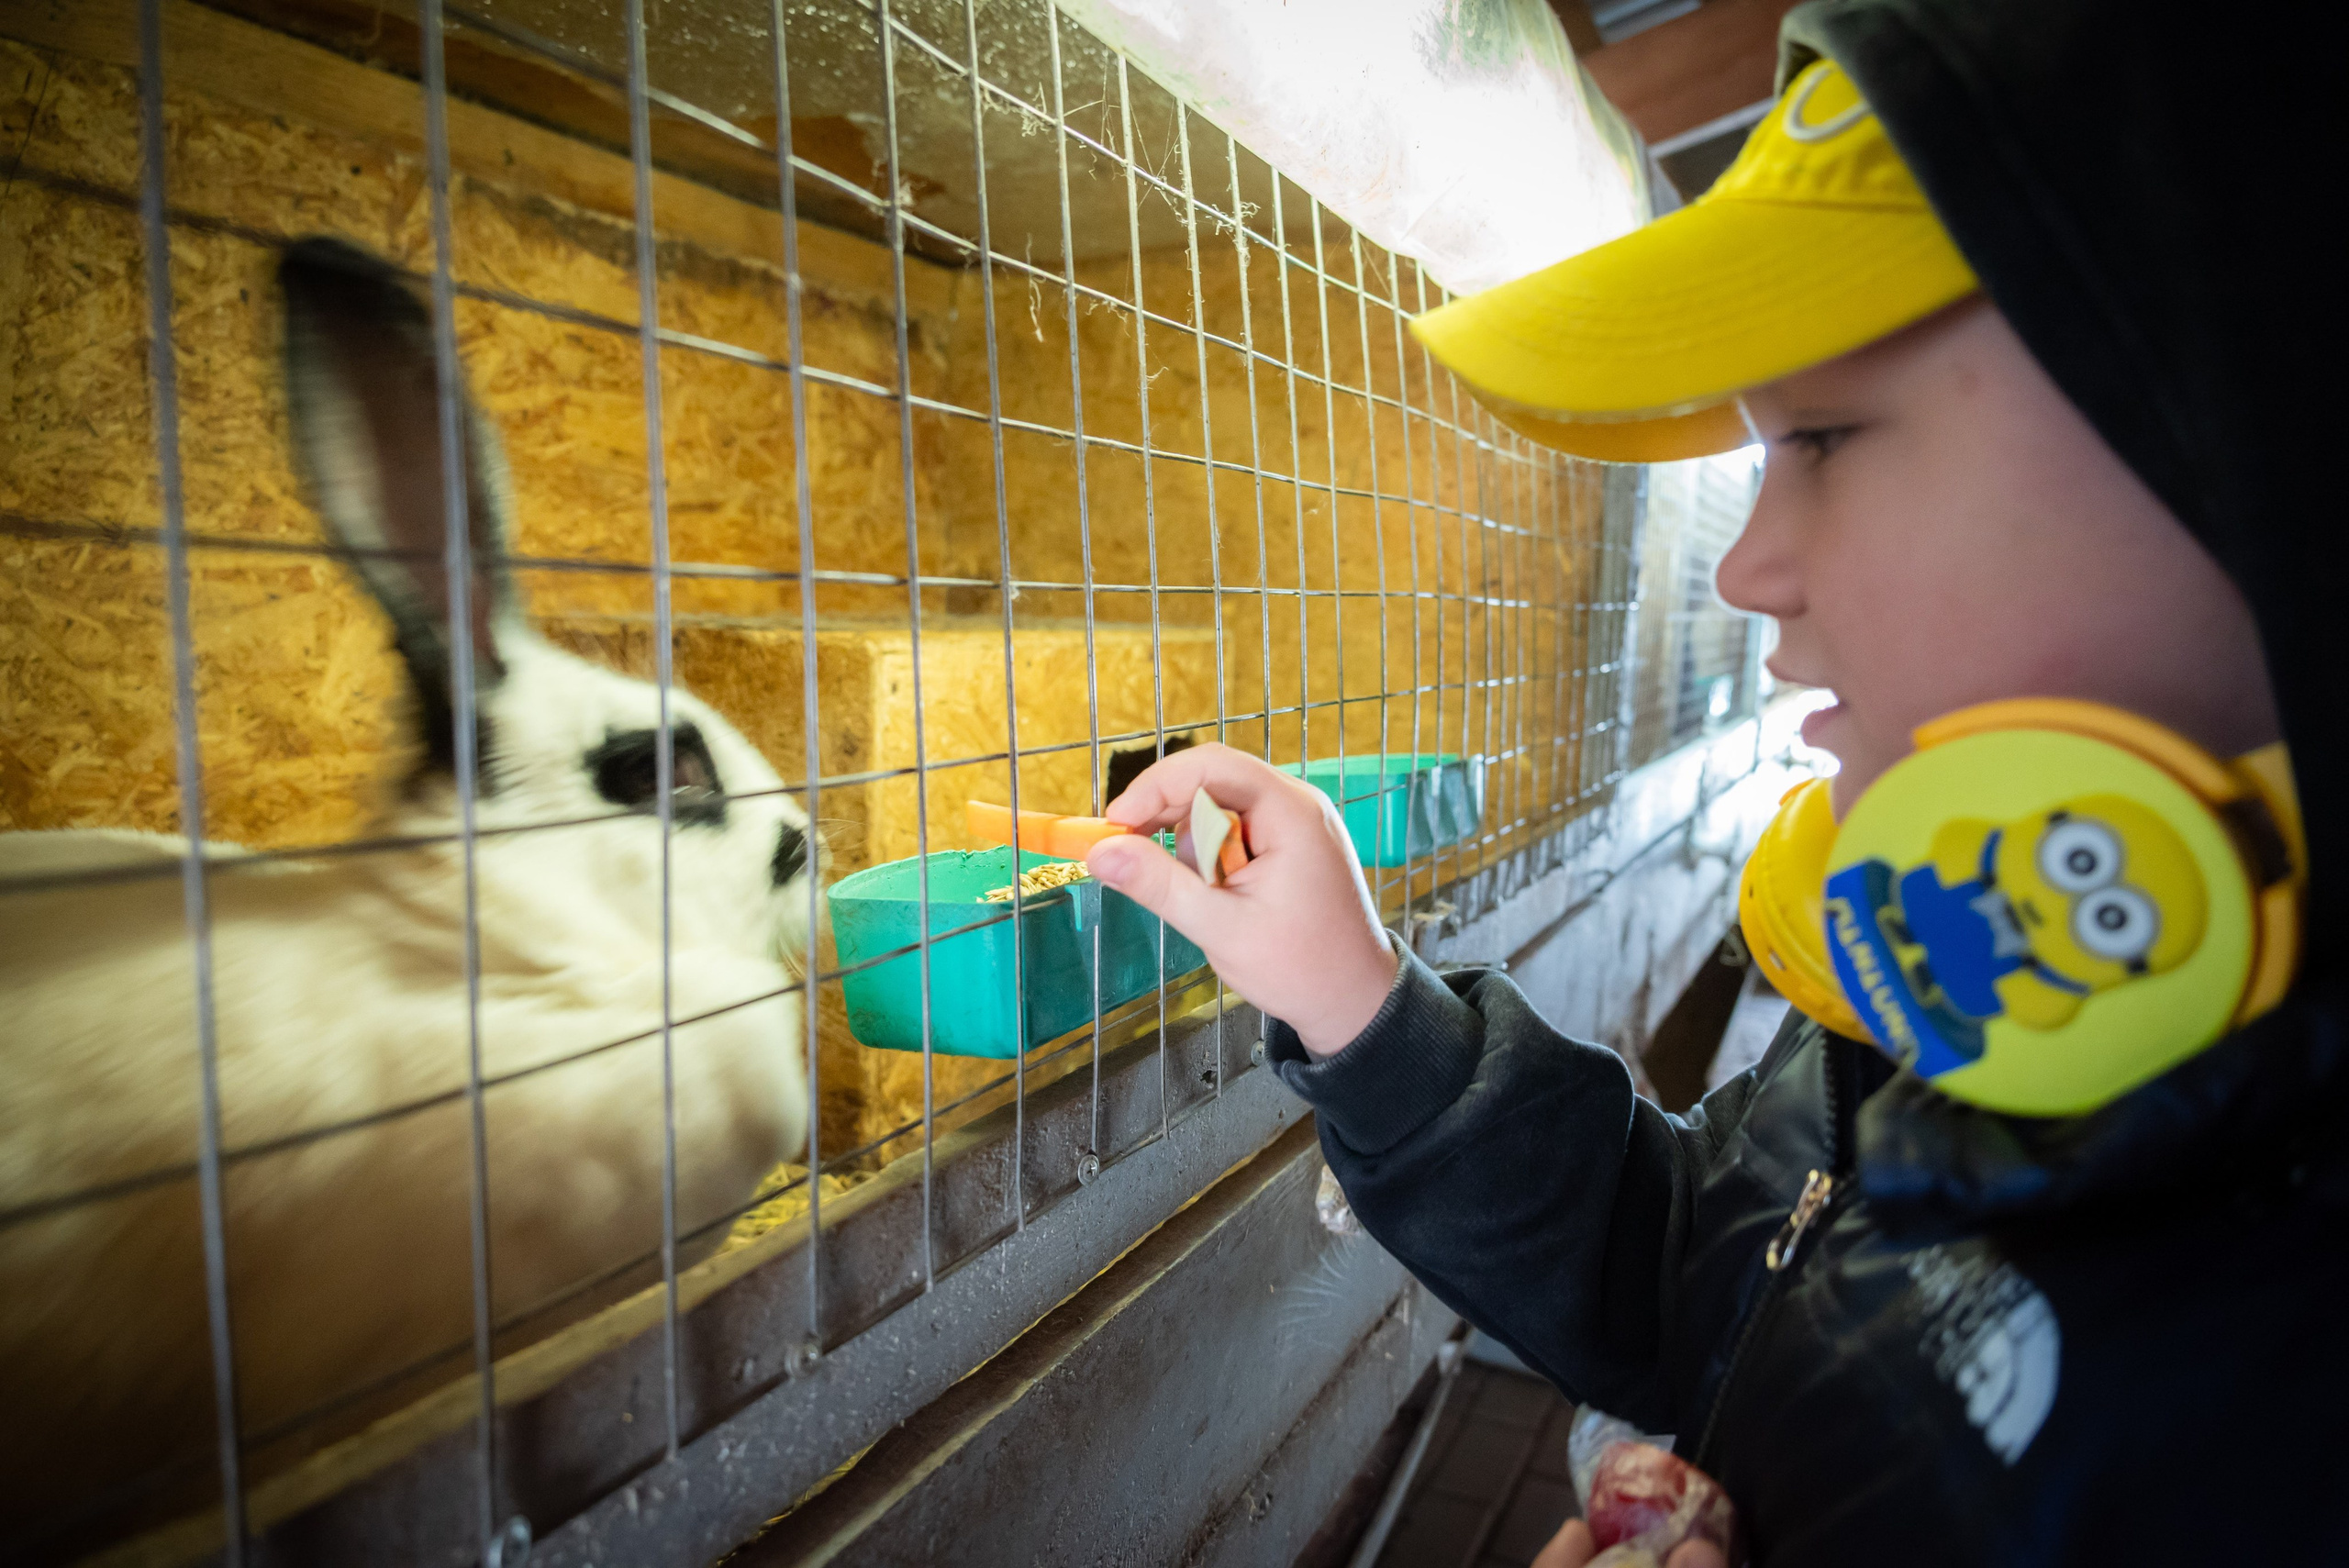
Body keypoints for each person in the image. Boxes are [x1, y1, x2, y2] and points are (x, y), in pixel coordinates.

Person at [1083, 1, 2343, 1562]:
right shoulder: (1964, 978)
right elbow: (1697, 1267)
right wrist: (1360, 997)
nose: (1747, 567)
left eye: (1820, 434)